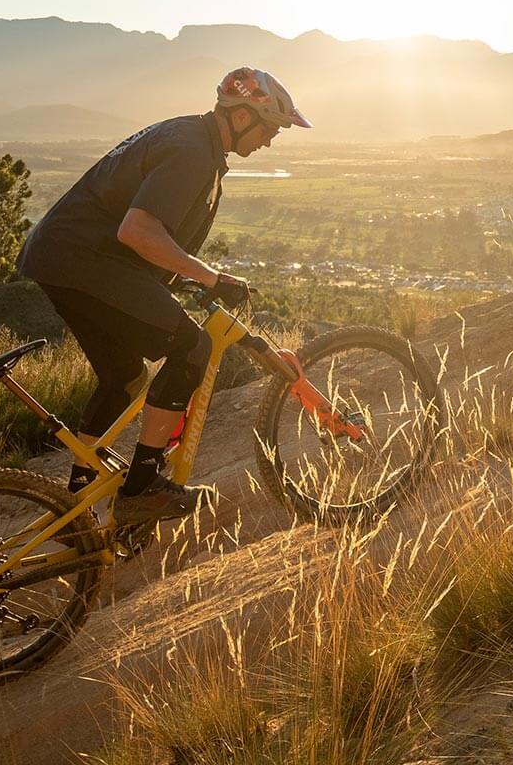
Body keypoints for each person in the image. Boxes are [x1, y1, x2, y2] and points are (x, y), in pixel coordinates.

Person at [16, 66, 311, 526]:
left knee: (124, 375)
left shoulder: (191, 138)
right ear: (241, 116)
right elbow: (138, 231)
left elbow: (146, 233)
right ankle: (142, 489)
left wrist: (187, 275)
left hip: (62, 258)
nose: (271, 140)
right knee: (192, 347)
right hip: (86, 261)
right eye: (270, 128)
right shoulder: (193, 150)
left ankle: (78, 501)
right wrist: (211, 278)